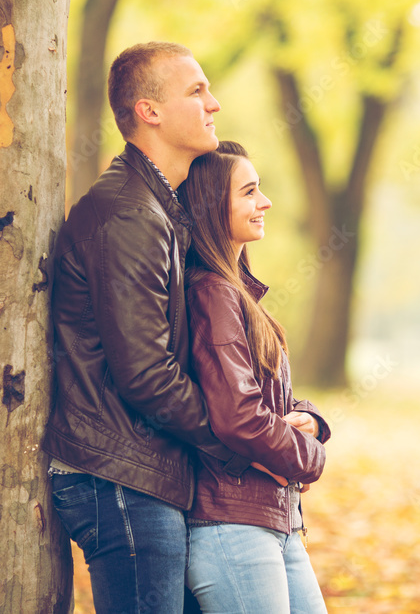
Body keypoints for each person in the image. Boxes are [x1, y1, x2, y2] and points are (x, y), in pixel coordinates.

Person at [42, 42, 256, 614]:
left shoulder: (159, 208)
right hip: (119, 477)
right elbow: (146, 375)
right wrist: (233, 445)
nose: (214, 103)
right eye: (196, 90)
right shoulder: (130, 213)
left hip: (142, 471)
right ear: (149, 111)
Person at [178, 141, 331, 614]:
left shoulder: (236, 292)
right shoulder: (212, 291)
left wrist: (307, 419)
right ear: (210, 205)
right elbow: (239, 416)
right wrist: (309, 459)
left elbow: (255, 393)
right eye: (249, 192)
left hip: (274, 518)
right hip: (233, 525)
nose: (264, 202)